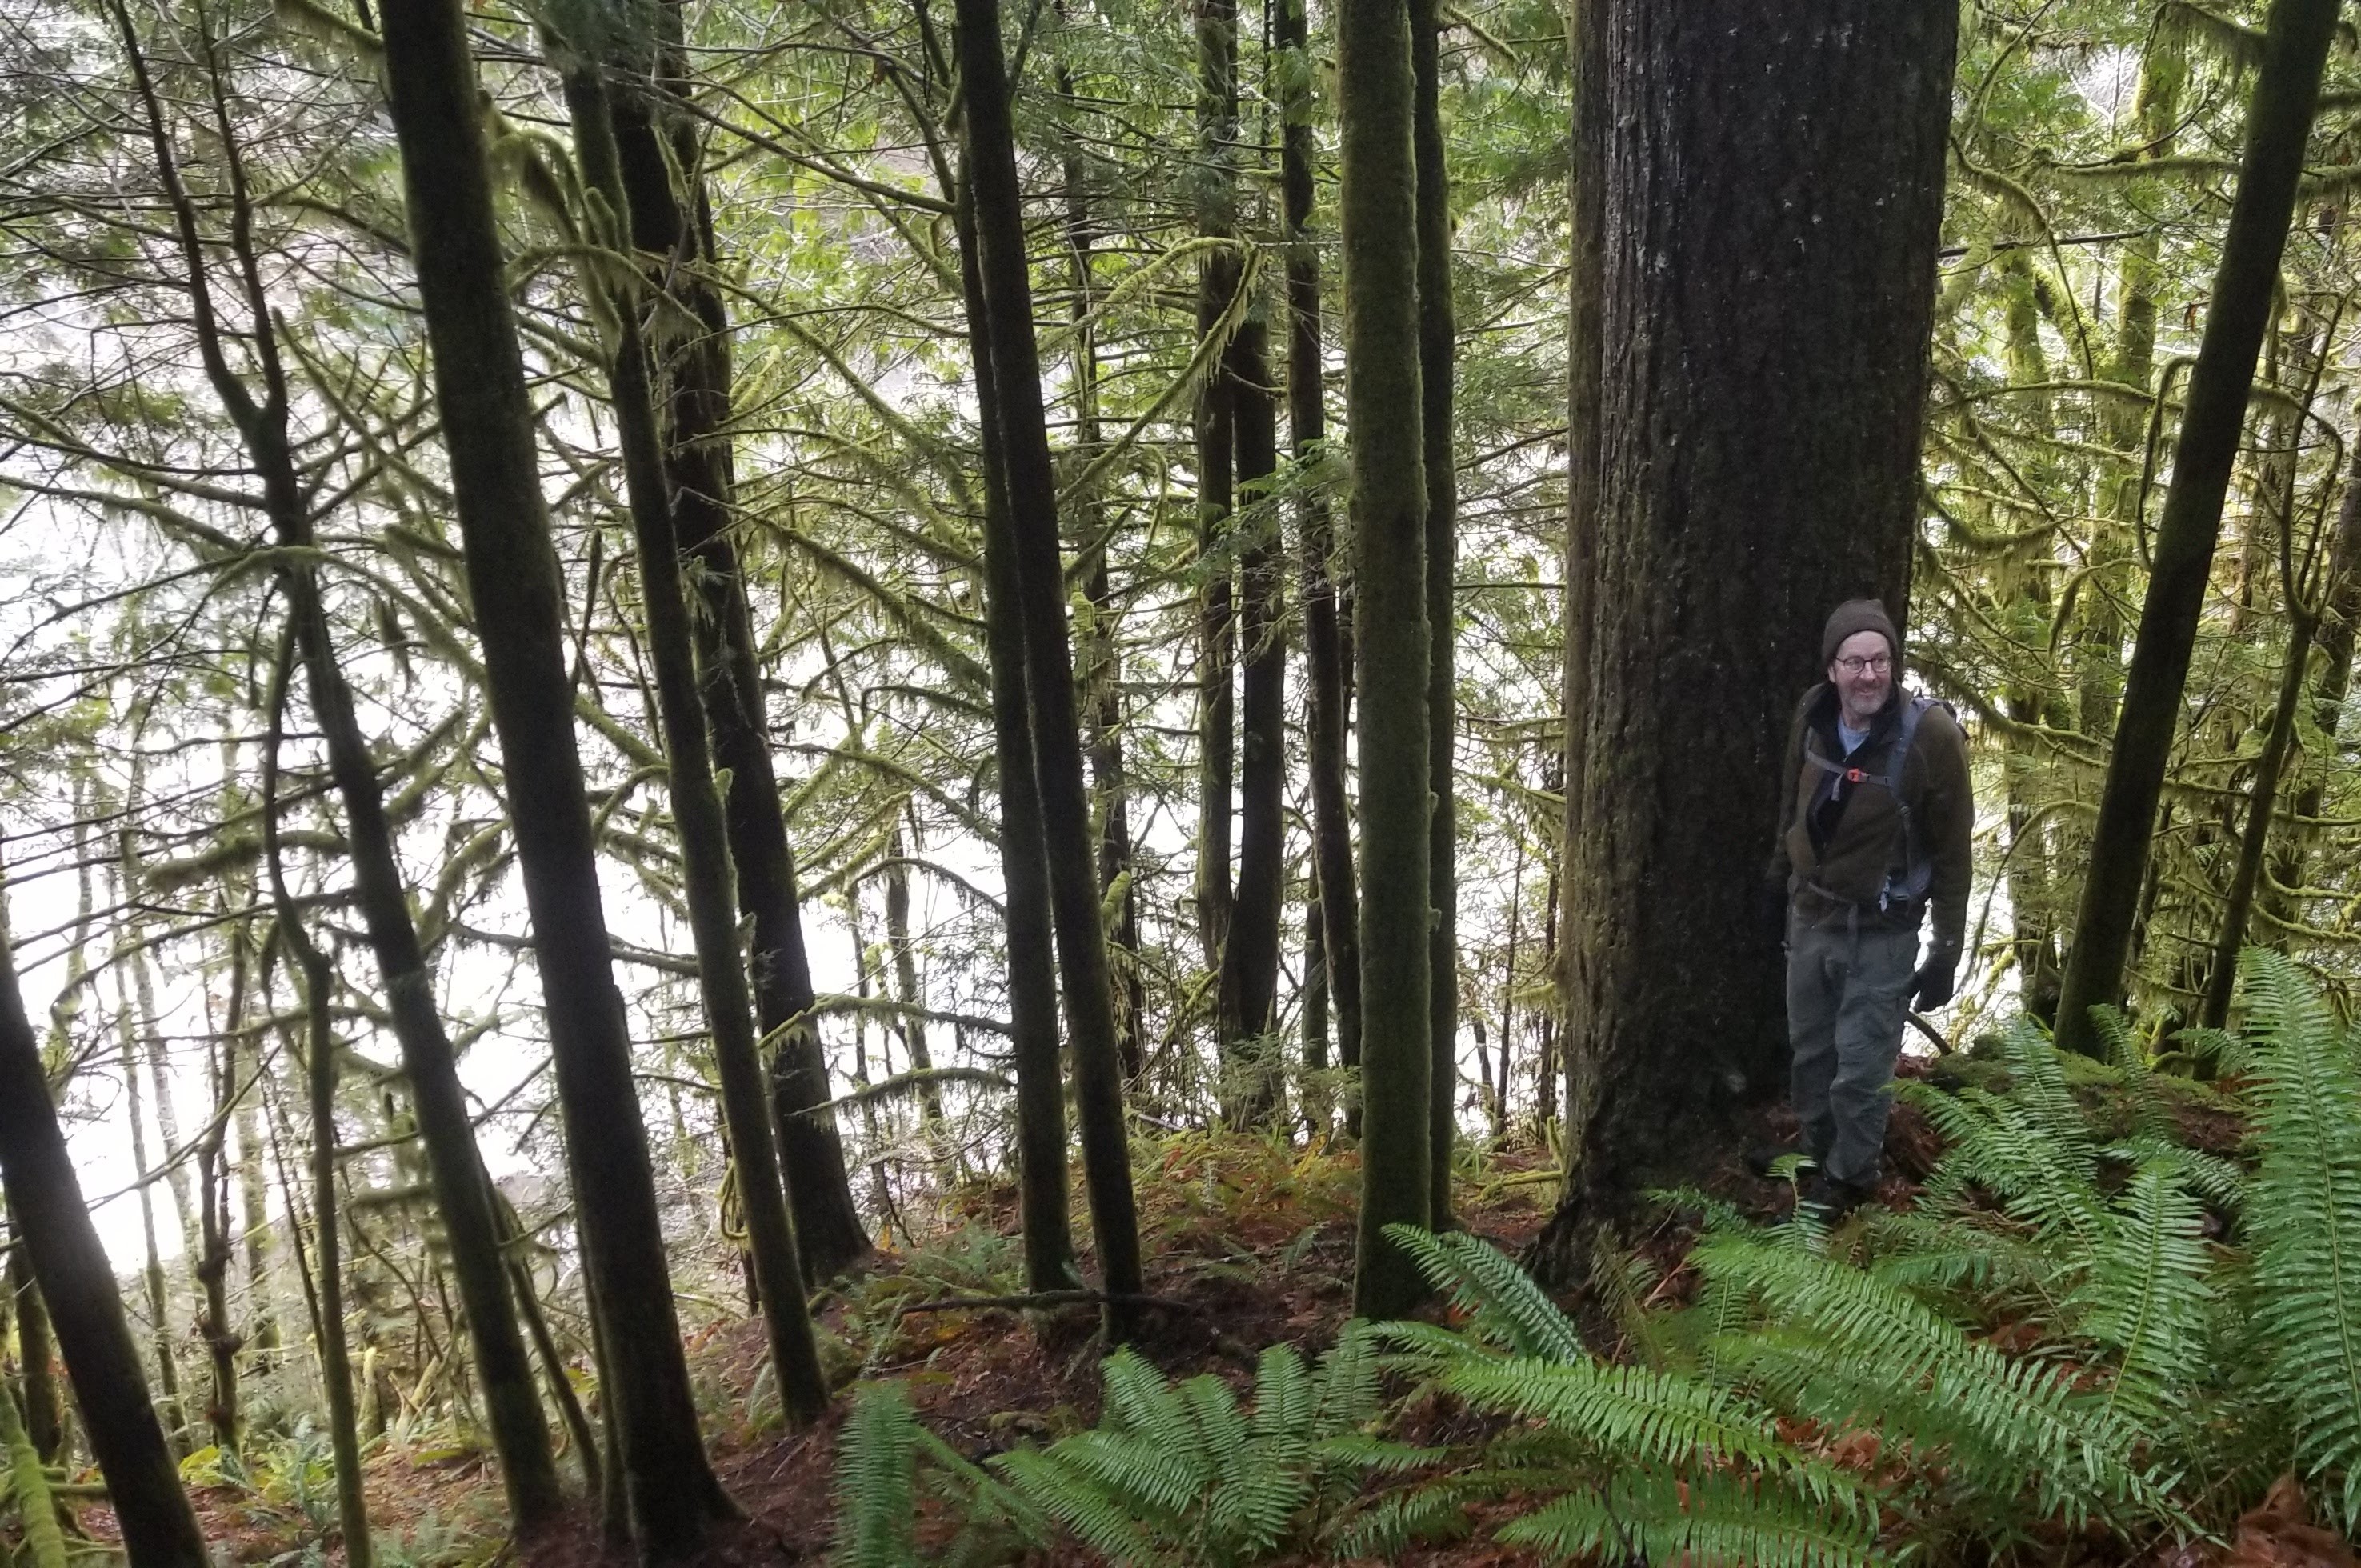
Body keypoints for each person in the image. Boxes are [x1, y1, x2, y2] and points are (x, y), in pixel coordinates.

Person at [1759, 598, 1972, 1222]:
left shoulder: (1930, 737)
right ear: (1832, 669)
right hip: (1812, 916)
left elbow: (1953, 852)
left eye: (1880, 660)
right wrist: (1779, 875)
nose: (1868, 675)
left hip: (1881, 930)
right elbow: (1791, 801)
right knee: (1810, 1052)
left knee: (1860, 1065)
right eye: (1854, 661)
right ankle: (1819, 1157)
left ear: (1893, 665)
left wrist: (1947, 948)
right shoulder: (1813, 715)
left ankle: (1849, 1182)